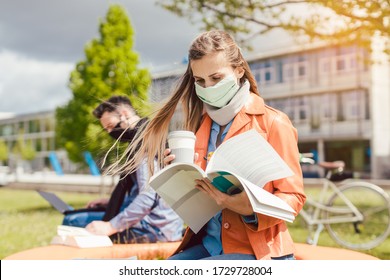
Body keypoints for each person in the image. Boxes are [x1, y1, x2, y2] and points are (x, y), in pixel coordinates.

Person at [118, 30, 306, 259]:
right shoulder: (199, 125)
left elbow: (293, 197)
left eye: (216, 78)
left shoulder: (273, 122)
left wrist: (250, 209)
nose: (207, 88)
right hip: (209, 245)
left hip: (256, 251)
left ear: (238, 71)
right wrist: (176, 177)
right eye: (200, 81)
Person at [64, 95, 184, 244]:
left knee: (71, 220)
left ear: (124, 114)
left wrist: (110, 226)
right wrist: (109, 203)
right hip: (164, 225)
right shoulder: (149, 135)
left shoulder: (143, 145)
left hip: (154, 229)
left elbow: (147, 198)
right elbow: (146, 192)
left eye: (110, 125)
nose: (109, 132)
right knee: (80, 216)